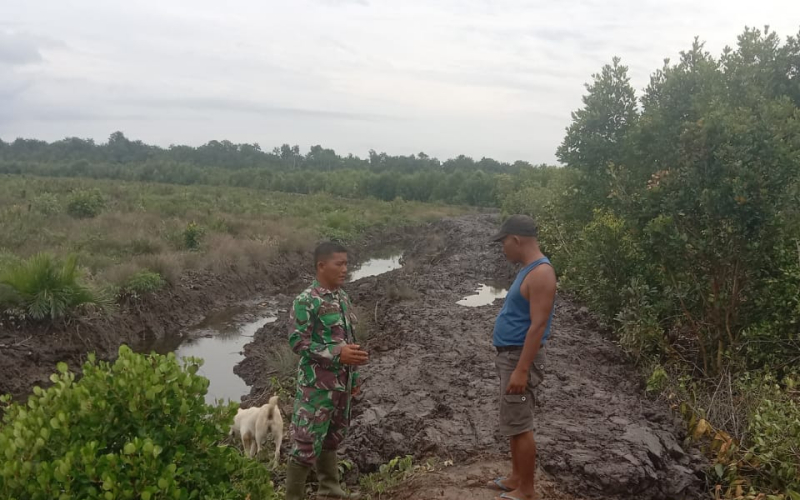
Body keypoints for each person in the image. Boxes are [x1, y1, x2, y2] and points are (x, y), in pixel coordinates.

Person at [285, 242, 368, 500]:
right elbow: (298, 342)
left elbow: (347, 339)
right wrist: (336, 354)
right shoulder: (306, 301)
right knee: (306, 443)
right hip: (316, 388)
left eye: (346, 263)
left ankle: (330, 492)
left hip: (340, 385)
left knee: (332, 437)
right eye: (339, 264)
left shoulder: (342, 297)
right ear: (321, 266)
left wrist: (353, 377)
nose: (345, 269)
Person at [487, 215, 557, 500]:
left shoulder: (541, 273)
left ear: (516, 240)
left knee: (521, 422)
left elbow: (538, 326)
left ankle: (527, 490)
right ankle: (516, 477)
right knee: (513, 421)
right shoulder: (528, 269)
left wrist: (521, 369)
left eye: (504, 242)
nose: (503, 249)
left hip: (519, 358)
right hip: (511, 355)